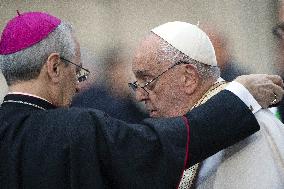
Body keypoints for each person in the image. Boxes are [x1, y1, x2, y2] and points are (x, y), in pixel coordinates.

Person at [0, 12, 282, 189]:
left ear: (188, 77)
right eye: (78, 72)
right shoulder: (74, 129)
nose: (78, 85)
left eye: (147, 80)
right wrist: (239, 96)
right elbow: (158, 145)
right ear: (54, 67)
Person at [130, 21, 284, 189]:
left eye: (147, 80)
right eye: (136, 85)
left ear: (188, 78)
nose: (139, 96)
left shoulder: (248, 126)